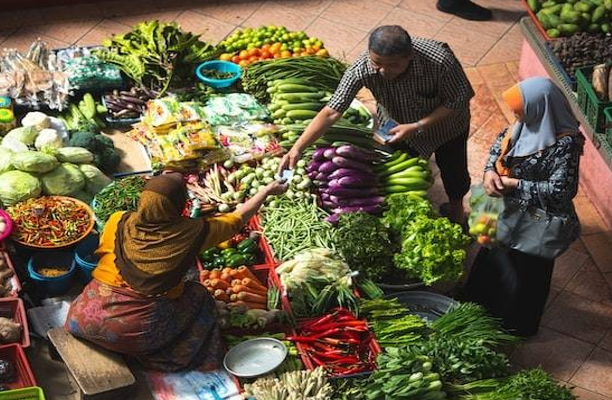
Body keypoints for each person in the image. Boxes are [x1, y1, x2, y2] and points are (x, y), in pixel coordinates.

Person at [64, 173, 287, 371]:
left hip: (81, 319)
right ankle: (168, 355)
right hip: (132, 336)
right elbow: (235, 220)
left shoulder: (117, 220)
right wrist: (265, 192)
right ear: (179, 205)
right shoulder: (192, 232)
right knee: (198, 295)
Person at [279, 25, 475, 225]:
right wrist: (297, 148)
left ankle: (456, 211)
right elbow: (331, 111)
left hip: (447, 126)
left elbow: (458, 100)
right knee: (393, 164)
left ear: (410, 56)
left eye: (392, 65)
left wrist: (417, 126)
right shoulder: (362, 67)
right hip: (395, 124)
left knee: (454, 172)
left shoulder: (439, 60)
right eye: (377, 63)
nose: (382, 71)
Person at [461, 77, 584, 337]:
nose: (515, 116)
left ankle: (516, 325)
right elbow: (498, 148)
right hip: (504, 211)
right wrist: (489, 173)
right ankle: (478, 306)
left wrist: (515, 184)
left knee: (525, 274)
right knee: (493, 255)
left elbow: (562, 191)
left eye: (520, 110)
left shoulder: (566, 143)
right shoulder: (524, 124)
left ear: (541, 108)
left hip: (535, 221)